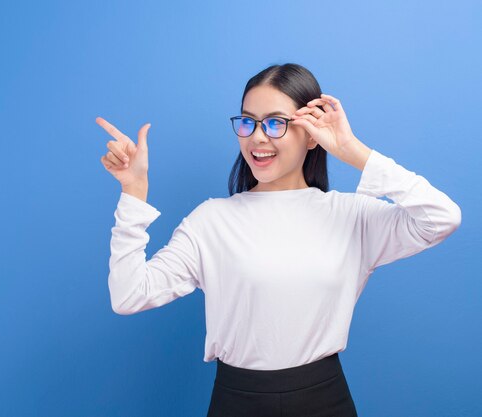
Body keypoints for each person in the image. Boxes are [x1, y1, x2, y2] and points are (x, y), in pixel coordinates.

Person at [96, 63, 462, 417]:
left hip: (324, 399)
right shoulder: (211, 220)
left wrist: (354, 152)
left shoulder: (352, 216)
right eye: (248, 122)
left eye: (275, 123)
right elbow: (129, 295)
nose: (257, 136)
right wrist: (133, 191)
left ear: (312, 134)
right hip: (236, 401)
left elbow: (442, 217)